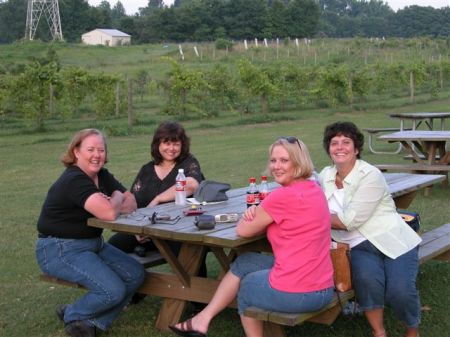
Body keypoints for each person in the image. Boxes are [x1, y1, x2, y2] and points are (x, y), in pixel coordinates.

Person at [170, 137, 334, 337]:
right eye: (273, 161)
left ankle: (205, 321)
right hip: (324, 286)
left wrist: (253, 212)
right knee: (246, 262)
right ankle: (202, 320)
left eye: (284, 160)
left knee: (247, 288)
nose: (276, 166)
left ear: (299, 162)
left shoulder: (281, 197)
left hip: (300, 293)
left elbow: (243, 230)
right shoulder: (314, 189)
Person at [35, 129, 145, 337]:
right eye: (91, 149)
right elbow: (110, 212)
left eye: (101, 150)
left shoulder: (101, 174)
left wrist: (116, 199)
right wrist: (117, 196)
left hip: (93, 243)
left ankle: (86, 320)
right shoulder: (74, 179)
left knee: (135, 274)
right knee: (112, 290)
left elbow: (131, 203)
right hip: (59, 249)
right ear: (76, 152)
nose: (97, 155)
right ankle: (73, 315)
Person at [319, 121, 422, 337]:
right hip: (357, 246)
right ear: (328, 149)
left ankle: (412, 330)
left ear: (356, 148)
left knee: (399, 291)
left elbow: (348, 222)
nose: (340, 147)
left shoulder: (370, 175)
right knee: (367, 282)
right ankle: (379, 332)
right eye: (334, 142)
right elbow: (307, 197)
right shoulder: (324, 176)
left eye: (346, 142)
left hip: (393, 239)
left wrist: (314, 216)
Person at [108, 121, 204, 254]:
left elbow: (191, 185)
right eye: (167, 143)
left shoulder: (188, 163)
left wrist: (158, 199)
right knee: (113, 246)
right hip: (148, 231)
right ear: (158, 144)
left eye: (176, 144)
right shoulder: (146, 170)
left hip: (179, 231)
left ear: (183, 145)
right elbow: (133, 203)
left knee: (189, 253)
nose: (171, 148)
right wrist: (136, 229)